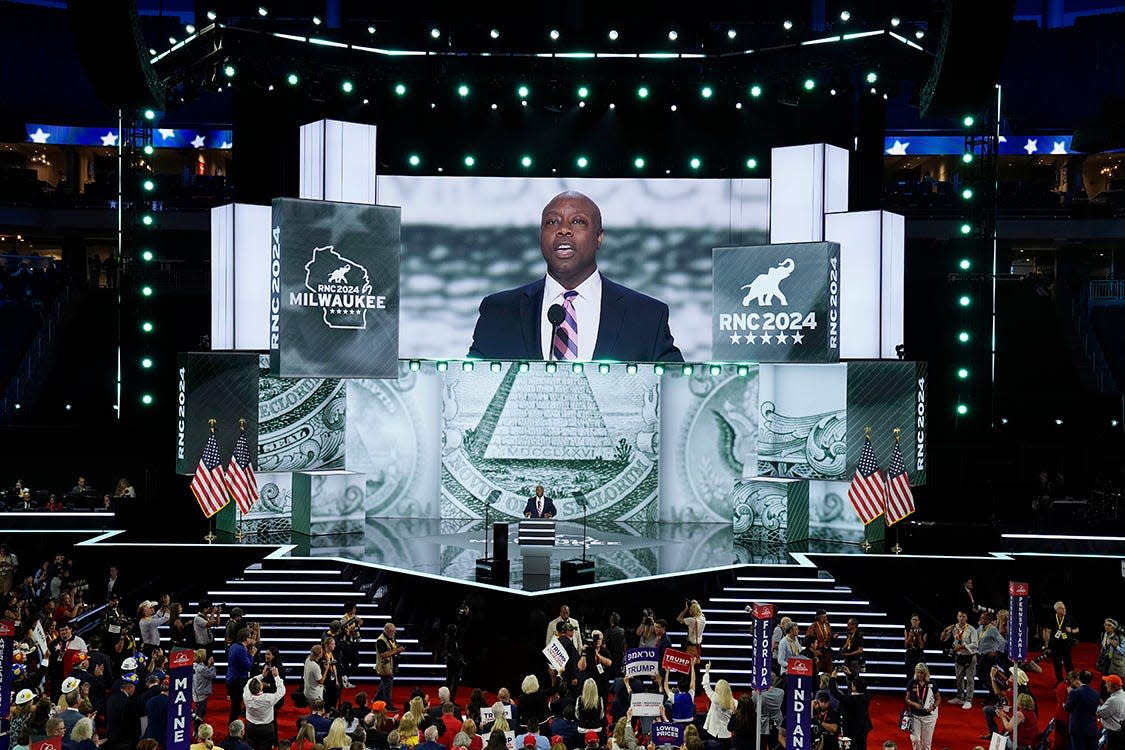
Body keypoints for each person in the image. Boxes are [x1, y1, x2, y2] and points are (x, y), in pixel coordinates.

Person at [467, 191, 683, 362]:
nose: (563, 230)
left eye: (578, 222)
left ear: (599, 237)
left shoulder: (647, 317)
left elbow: (675, 394)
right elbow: (469, 391)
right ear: (540, 236)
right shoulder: (498, 312)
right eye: (552, 222)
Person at [940, 610, 978, 709]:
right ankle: (960, 697)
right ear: (957, 617)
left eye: (963, 616)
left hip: (970, 656)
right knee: (959, 678)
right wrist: (945, 631)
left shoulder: (971, 629)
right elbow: (943, 639)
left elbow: (975, 644)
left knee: (970, 679)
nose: (961, 618)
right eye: (960, 616)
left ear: (966, 618)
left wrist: (961, 647)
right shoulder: (954, 628)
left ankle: (969, 700)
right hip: (959, 656)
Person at [829, 670, 871, 750]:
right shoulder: (867, 696)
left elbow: (834, 692)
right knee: (862, 745)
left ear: (854, 687)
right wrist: (850, 674)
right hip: (864, 727)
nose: (851, 685)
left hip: (851, 729)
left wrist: (833, 678)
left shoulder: (850, 699)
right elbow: (862, 686)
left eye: (852, 684)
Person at [904, 663, 940, 750]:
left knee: (926, 744)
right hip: (915, 715)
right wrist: (914, 704)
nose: (921, 675)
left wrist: (933, 706)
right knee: (915, 739)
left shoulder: (932, 683)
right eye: (919, 672)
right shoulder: (912, 682)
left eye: (923, 673)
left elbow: (938, 699)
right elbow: (907, 698)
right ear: (916, 672)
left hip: (929, 717)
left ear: (926, 673)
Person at [701, 662, 736, 750]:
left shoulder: (715, 698)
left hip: (712, 732)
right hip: (726, 735)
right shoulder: (735, 703)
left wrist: (707, 671)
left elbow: (706, 686)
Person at [1043, 601, 1078, 683]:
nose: (1064, 609)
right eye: (1062, 608)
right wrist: (1046, 646)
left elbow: (1077, 629)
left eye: (1064, 607)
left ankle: (1072, 681)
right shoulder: (1051, 618)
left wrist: (1072, 630)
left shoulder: (1069, 617)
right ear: (1056, 610)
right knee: (1057, 664)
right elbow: (1047, 631)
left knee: (1068, 663)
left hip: (1066, 644)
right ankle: (1060, 681)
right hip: (1055, 644)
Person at [1063, 670, 1099, 750]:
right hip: (1091, 728)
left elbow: (1068, 708)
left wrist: (1064, 704)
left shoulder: (1074, 693)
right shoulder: (1096, 694)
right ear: (1091, 680)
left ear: (1079, 678)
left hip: (1078, 729)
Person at [376, 623, 405, 709]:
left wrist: (399, 647)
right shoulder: (381, 640)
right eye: (393, 631)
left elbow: (394, 646)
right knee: (387, 686)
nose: (395, 633)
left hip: (390, 666)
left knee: (385, 683)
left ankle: (376, 699)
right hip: (384, 667)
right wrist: (397, 650)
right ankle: (388, 705)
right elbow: (384, 654)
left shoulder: (390, 638)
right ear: (388, 631)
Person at [1098, 674, 1125, 750]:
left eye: (1107, 683)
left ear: (1113, 686)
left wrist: (1098, 705)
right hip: (1120, 730)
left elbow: (1100, 714)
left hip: (1112, 733)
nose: (1105, 685)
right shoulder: (1123, 695)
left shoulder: (1113, 700)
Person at [806, 610, 834, 676]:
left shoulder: (827, 625)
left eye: (826, 617)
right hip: (818, 653)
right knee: (815, 673)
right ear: (818, 617)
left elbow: (828, 637)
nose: (826, 619)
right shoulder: (813, 626)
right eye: (824, 617)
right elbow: (807, 640)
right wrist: (814, 651)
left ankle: (828, 685)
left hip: (827, 653)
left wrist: (833, 637)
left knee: (829, 673)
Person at [905, 615, 927, 680]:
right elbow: (905, 645)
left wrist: (919, 636)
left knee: (920, 676)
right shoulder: (907, 629)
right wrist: (910, 636)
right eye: (913, 619)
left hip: (919, 655)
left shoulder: (923, 631)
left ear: (919, 621)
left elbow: (922, 646)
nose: (914, 621)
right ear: (911, 621)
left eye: (916, 620)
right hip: (909, 655)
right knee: (909, 676)